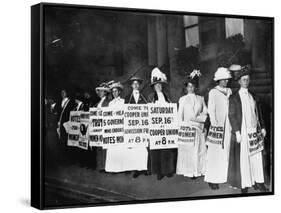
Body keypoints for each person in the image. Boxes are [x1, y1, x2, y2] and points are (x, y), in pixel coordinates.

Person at [227, 65, 268, 193]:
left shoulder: (253, 96)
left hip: (254, 131)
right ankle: (245, 184)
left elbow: (258, 113)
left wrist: (262, 127)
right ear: (239, 81)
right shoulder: (234, 98)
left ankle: (259, 182)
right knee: (244, 158)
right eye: (243, 79)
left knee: (256, 157)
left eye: (247, 79)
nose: (246, 81)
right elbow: (232, 115)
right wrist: (237, 132)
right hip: (243, 132)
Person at [204, 67, 232, 190]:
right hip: (217, 127)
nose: (225, 82)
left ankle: (223, 176)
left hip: (228, 126)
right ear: (218, 80)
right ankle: (212, 179)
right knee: (214, 153)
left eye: (227, 79)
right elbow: (211, 110)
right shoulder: (213, 92)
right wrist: (215, 124)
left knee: (225, 152)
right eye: (223, 80)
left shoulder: (229, 91)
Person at [176, 70, 208, 179]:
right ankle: (190, 172)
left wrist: (198, 119)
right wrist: (180, 128)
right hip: (187, 129)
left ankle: (198, 170)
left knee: (199, 150)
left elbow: (205, 112)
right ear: (186, 88)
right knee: (188, 151)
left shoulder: (201, 98)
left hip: (198, 128)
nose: (191, 88)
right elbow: (179, 115)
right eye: (189, 86)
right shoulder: (182, 99)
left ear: (196, 87)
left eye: (193, 86)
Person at [147, 67, 177, 180]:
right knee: (157, 150)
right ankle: (159, 171)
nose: (158, 86)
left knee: (167, 149)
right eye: (156, 85)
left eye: (160, 84)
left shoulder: (167, 97)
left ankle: (168, 170)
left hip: (166, 127)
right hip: (156, 128)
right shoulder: (151, 98)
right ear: (153, 86)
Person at [124, 76, 149, 178]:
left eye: (137, 84)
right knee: (134, 147)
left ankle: (143, 168)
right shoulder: (127, 98)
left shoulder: (144, 97)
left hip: (142, 126)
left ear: (139, 85)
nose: (136, 85)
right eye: (134, 84)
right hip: (132, 127)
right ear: (131, 86)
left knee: (143, 147)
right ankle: (135, 169)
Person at [94, 82, 112, 172]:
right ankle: (100, 165)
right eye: (99, 91)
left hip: (104, 125)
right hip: (97, 126)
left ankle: (105, 166)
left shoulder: (108, 102)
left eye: (102, 91)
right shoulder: (98, 103)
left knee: (104, 146)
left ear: (105, 92)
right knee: (98, 145)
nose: (100, 93)